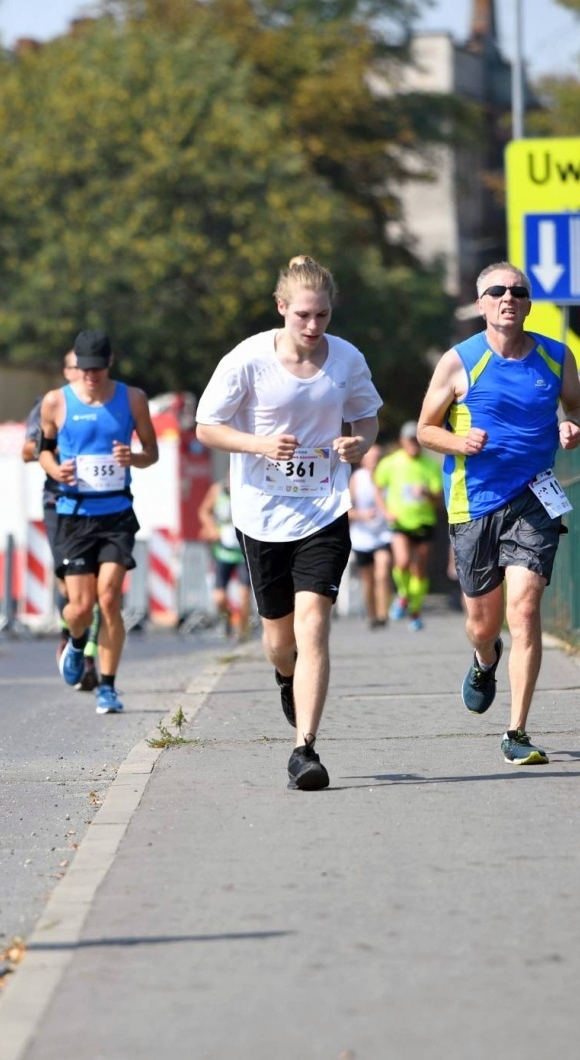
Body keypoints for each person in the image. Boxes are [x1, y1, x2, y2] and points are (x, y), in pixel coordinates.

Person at [194, 256, 381, 790]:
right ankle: (284, 675)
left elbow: (367, 415)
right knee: (280, 641)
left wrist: (359, 442)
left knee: (314, 625)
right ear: (281, 308)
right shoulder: (249, 359)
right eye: (302, 315)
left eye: (322, 314)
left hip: (324, 507)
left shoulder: (346, 359)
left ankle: (306, 748)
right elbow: (207, 427)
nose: (313, 326)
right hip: (261, 512)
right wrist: (258, 444)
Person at [416, 263, 580, 766]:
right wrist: (458, 441)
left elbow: (577, 406)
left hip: (535, 497)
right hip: (474, 502)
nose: (508, 297)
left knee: (526, 610)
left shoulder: (556, 357)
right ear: (481, 303)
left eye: (518, 291)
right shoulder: (459, 361)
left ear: (529, 303)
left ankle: (517, 730)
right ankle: (483, 660)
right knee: (481, 622)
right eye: (497, 291)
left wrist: (573, 427)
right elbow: (427, 429)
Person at [36, 329, 160, 713]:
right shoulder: (56, 401)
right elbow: (43, 451)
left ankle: (108, 686)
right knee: (79, 607)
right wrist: (57, 472)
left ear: (109, 362)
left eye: (96, 369)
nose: (90, 376)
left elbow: (151, 451)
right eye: (84, 369)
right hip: (74, 516)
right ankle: (75, 642)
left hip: (116, 514)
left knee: (108, 599)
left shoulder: (133, 398)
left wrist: (133, 458)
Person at [23, 350, 97, 689]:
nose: (83, 372)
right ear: (67, 371)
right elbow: (28, 450)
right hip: (60, 503)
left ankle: (91, 656)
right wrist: (50, 450)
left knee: (100, 586)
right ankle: (70, 635)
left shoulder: (108, 401)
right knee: (69, 582)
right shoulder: (49, 404)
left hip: (101, 503)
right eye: (75, 367)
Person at [373, 421, 443, 631]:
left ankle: (414, 610)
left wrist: (426, 493)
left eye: (417, 440)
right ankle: (404, 595)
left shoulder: (430, 465)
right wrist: (385, 512)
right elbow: (377, 488)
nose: (413, 443)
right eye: (410, 440)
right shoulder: (390, 463)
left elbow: (438, 498)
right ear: (402, 441)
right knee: (402, 562)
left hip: (423, 521)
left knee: (419, 571)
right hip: (400, 521)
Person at [347, 443, 393, 629]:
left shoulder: (388, 476)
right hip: (361, 536)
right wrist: (362, 515)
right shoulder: (357, 478)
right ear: (363, 459)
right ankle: (373, 615)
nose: (374, 462)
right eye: (370, 458)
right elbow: (347, 510)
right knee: (368, 579)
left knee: (382, 572)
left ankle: (383, 614)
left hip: (383, 533)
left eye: (377, 458)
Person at [197, 479, 247, 638]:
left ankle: (243, 632)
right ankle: (226, 619)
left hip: (242, 553)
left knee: (244, 593)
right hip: (222, 552)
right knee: (219, 597)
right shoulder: (217, 491)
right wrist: (211, 529)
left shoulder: (248, 488)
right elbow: (203, 511)